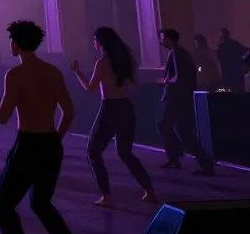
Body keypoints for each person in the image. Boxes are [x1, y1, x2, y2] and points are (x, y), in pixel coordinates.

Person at [0, 21, 87, 234]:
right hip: (49, 144)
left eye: (11, 40)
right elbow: (69, 112)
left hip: (27, 146)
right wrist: (55, 139)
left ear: (17, 43)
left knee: (2, 205)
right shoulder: (53, 72)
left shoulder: (14, 75)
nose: (10, 44)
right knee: (42, 205)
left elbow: (2, 117)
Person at [70, 27, 156, 207]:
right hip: (126, 107)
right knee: (125, 152)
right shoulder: (125, 60)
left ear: (101, 41)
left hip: (110, 108)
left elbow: (90, 88)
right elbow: (133, 84)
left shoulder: (102, 62)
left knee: (93, 152)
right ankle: (149, 190)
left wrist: (77, 72)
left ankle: (106, 196)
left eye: (95, 39)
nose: (93, 43)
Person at [155, 28, 215, 175]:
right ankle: (197, 162)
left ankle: (177, 153)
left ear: (170, 39)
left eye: (163, 38)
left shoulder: (176, 52)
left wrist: (166, 80)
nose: (161, 41)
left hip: (176, 98)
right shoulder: (180, 52)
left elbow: (180, 77)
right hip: (182, 98)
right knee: (184, 132)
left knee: (164, 126)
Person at [215, 28, 247, 93]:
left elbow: (219, 58)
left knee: (229, 97)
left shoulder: (221, 47)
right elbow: (245, 52)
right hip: (238, 75)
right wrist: (242, 60)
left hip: (227, 76)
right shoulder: (235, 44)